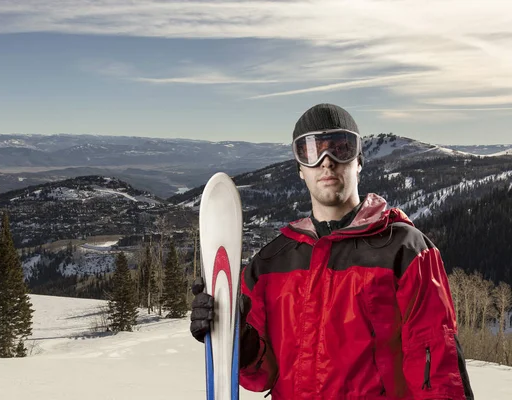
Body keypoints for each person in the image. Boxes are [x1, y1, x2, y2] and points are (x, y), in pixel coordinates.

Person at [190, 103, 474, 399]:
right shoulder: (270, 263)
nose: (327, 162)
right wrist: (240, 340)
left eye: (341, 148)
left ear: (359, 161)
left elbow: (437, 364)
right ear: (300, 169)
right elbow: (262, 376)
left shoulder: (405, 250)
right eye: (311, 152)